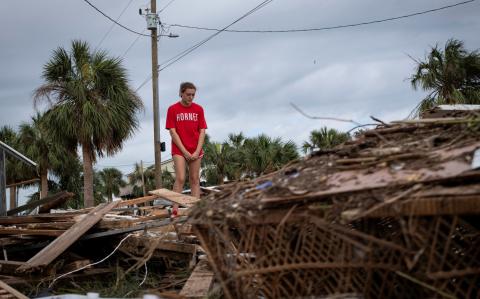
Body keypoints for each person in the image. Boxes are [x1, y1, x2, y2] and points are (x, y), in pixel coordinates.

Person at [166, 82, 207, 204]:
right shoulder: (173, 109)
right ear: (181, 93)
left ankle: (195, 210)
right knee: (180, 178)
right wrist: (184, 152)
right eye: (188, 94)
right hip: (179, 149)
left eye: (193, 95)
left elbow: (202, 131)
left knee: (195, 179)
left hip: (195, 149)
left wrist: (197, 151)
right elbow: (173, 132)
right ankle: (175, 211)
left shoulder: (199, 109)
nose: (191, 97)